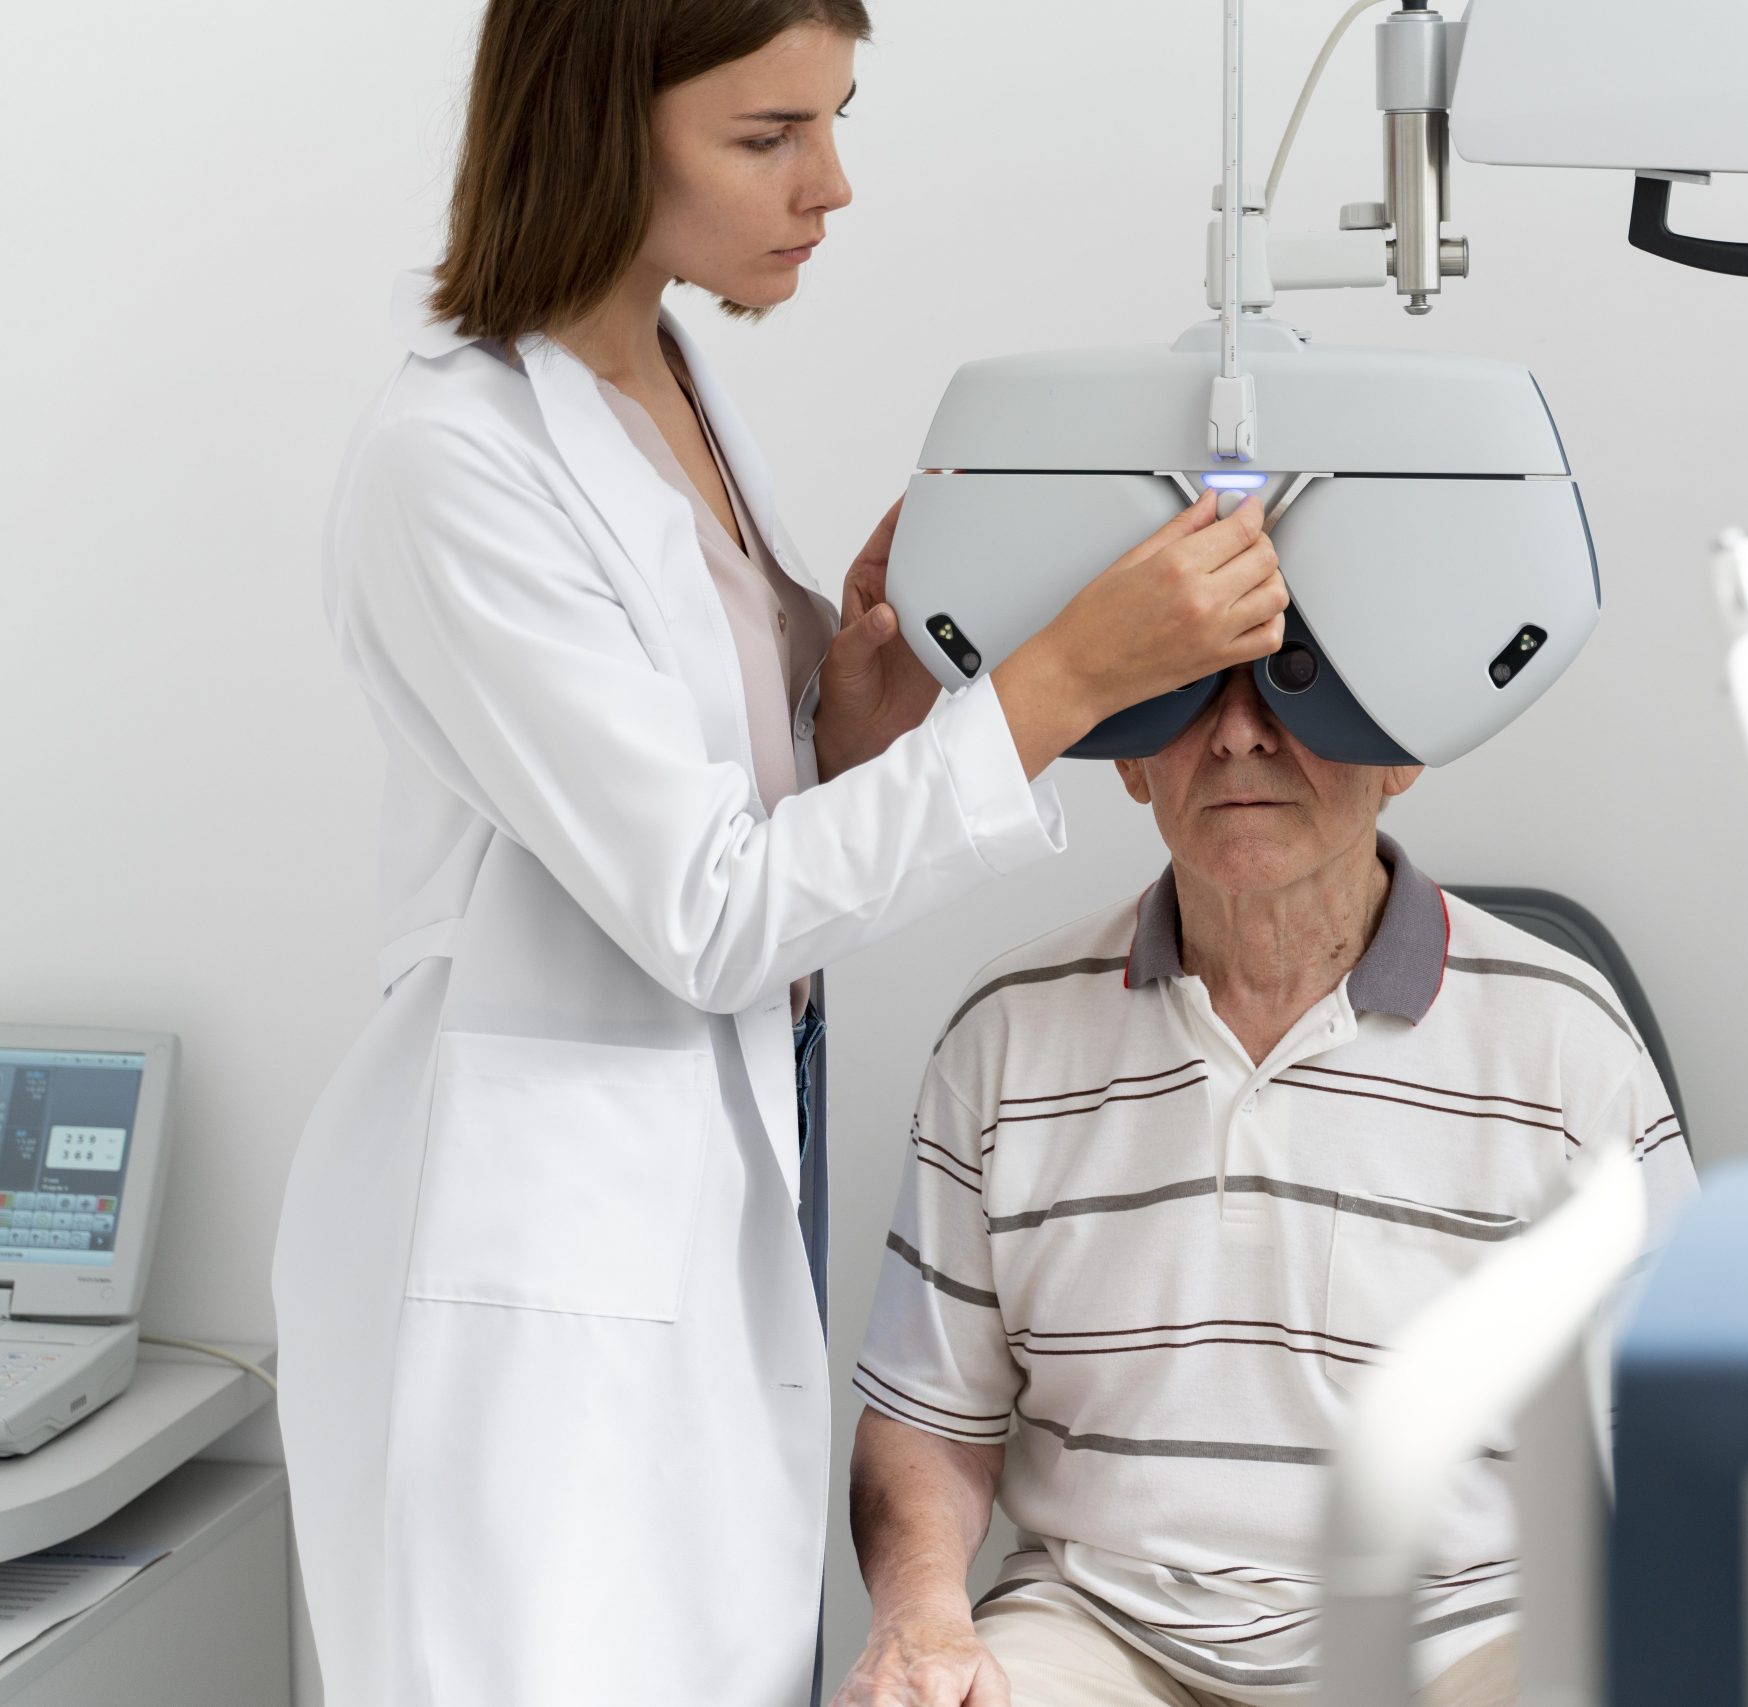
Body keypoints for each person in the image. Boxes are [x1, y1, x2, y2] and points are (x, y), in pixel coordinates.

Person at [269, 5, 1288, 1704]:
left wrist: (858, 698)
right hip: (529, 1281)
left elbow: (729, 793)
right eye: (768, 137)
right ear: (602, 125)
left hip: (711, 1175)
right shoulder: (449, 463)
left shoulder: (665, 376)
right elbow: (709, 906)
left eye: (834, 119)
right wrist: (1058, 688)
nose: (832, 184)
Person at [840, 670, 1697, 1707]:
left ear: (1402, 750)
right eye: (1191, 687)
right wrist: (922, 1614)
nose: (1240, 735)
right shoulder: (1008, 1031)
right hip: (1104, 1633)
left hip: (1463, 1632)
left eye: (1297, 684)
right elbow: (926, 1421)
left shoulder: (1563, 1037)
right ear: (1127, 756)